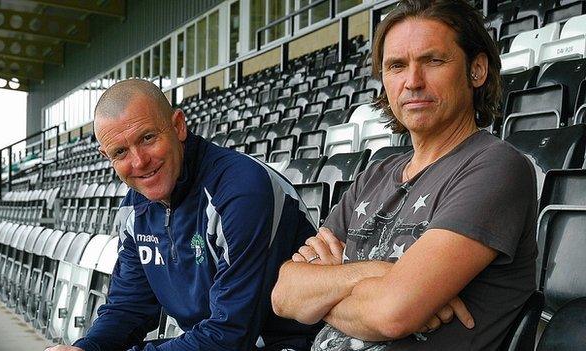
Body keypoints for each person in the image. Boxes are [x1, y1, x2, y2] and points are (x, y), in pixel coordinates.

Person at [271, 0, 538, 350]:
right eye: (396, 66)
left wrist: (323, 295)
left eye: (433, 61)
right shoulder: (374, 175)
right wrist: (379, 272)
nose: (412, 81)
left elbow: (392, 313)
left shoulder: (495, 167)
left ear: (477, 70)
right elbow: (284, 294)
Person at [46, 79, 319, 351]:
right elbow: (128, 307)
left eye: (148, 137)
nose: (139, 162)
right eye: (120, 152)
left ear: (178, 126)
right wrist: (87, 347)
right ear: (107, 156)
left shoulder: (241, 189)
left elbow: (230, 334)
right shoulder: (135, 207)